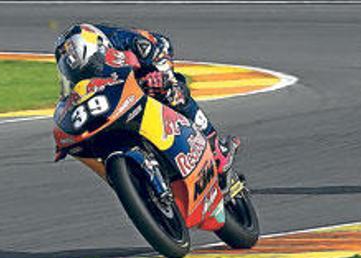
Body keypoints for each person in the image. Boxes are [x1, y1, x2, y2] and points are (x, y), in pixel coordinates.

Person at [54, 23, 239, 173]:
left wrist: (157, 73)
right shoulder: (75, 74)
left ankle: (216, 147)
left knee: (173, 93)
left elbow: (156, 49)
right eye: (77, 74)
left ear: (99, 48)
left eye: (90, 67)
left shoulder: (125, 41)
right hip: (119, 83)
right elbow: (74, 101)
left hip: (152, 59)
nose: (86, 74)